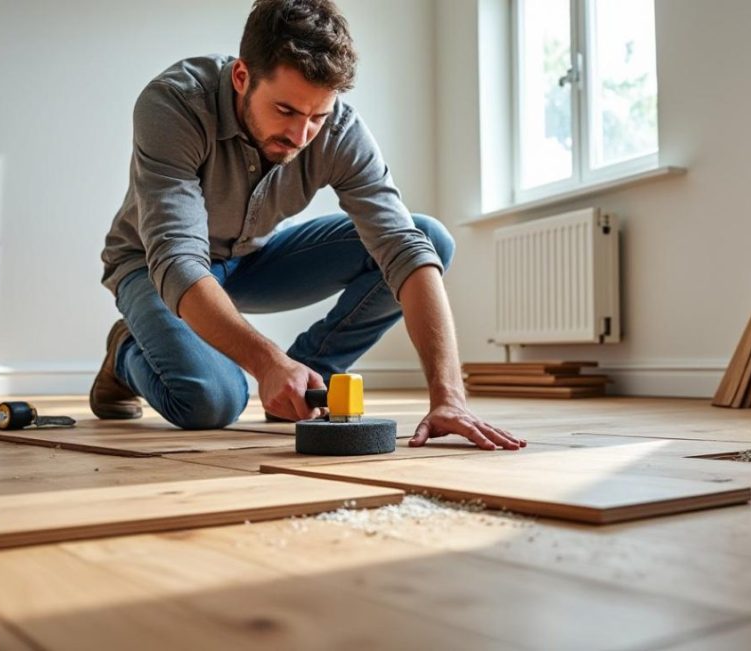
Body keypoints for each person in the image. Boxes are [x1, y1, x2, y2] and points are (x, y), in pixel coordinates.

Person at [93, 0, 524, 451]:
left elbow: (403, 247)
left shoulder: (339, 130)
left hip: (249, 260)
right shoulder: (175, 103)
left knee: (430, 238)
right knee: (211, 401)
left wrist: (448, 396)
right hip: (152, 267)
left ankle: (304, 379)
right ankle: (125, 351)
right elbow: (178, 262)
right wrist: (266, 362)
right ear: (242, 77)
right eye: (285, 111)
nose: (301, 136)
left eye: (317, 117)